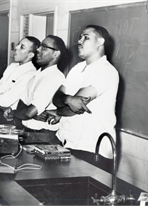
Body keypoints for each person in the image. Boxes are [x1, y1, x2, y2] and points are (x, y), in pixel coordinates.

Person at [46, 25, 119, 160]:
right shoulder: (78, 68)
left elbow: (74, 109)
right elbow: (56, 98)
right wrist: (68, 99)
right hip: (68, 143)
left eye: (86, 37)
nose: (79, 41)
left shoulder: (106, 71)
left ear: (100, 42)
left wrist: (59, 110)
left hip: (92, 149)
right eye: (80, 37)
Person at [4, 35, 67, 140]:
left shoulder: (55, 78)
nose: (38, 49)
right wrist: (26, 112)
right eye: (39, 46)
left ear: (55, 53)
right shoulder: (37, 74)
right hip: (28, 132)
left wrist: (14, 113)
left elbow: (29, 112)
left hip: (43, 136)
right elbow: (22, 105)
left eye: (44, 47)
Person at [0, 36, 40, 124]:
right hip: (0, 111)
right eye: (18, 45)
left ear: (30, 55)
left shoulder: (31, 73)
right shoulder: (12, 67)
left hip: (14, 118)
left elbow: (8, 98)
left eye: (22, 47)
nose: (16, 48)